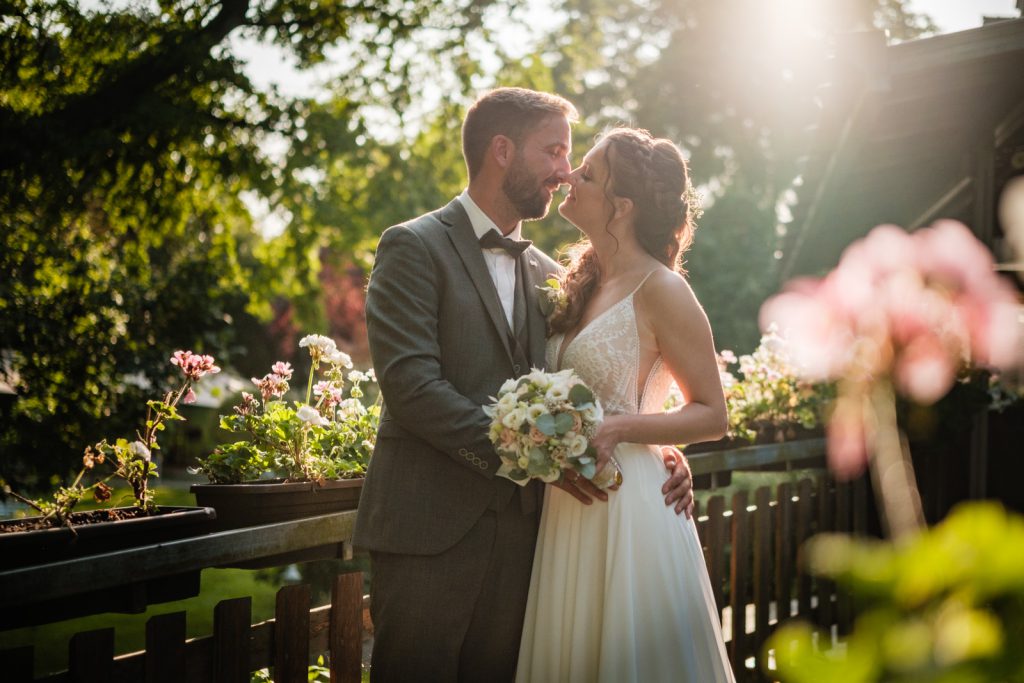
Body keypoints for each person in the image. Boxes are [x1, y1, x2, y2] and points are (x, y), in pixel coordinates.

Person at [355, 89, 696, 682]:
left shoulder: (552, 274)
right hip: (429, 533)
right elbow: (411, 387)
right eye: (555, 151)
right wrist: (530, 455)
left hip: (532, 541)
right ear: (502, 150)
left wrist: (657, 447)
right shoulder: (412, 245)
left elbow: (601, 377)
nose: (565, 172)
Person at [515, 127, 736, 682]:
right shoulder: (575, 283)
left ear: (623, 207)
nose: (568, 175)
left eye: (586, 173)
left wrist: (623, 430)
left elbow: (712, 413)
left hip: (631, 507)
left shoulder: (663, 288)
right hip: (568, 509)